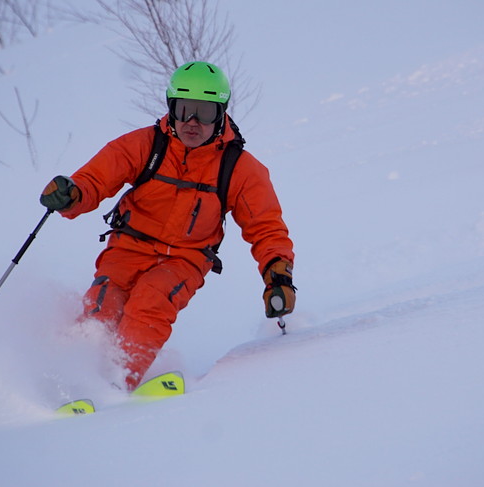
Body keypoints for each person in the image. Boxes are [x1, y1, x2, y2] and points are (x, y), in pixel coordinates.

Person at [39, 61, 295, 390]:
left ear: (221, 114)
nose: (192, 122)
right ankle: (66, 381)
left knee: (150, 302)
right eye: (184, 109)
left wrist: (278, 275)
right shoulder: (146, 144)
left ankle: (115, 385)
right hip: (128, 247)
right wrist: (72, 193)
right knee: (101, 307)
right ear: (170, 106)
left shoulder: (240, 168)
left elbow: (266, 228)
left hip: (184, 259)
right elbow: (97, 177)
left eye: (204, 112)